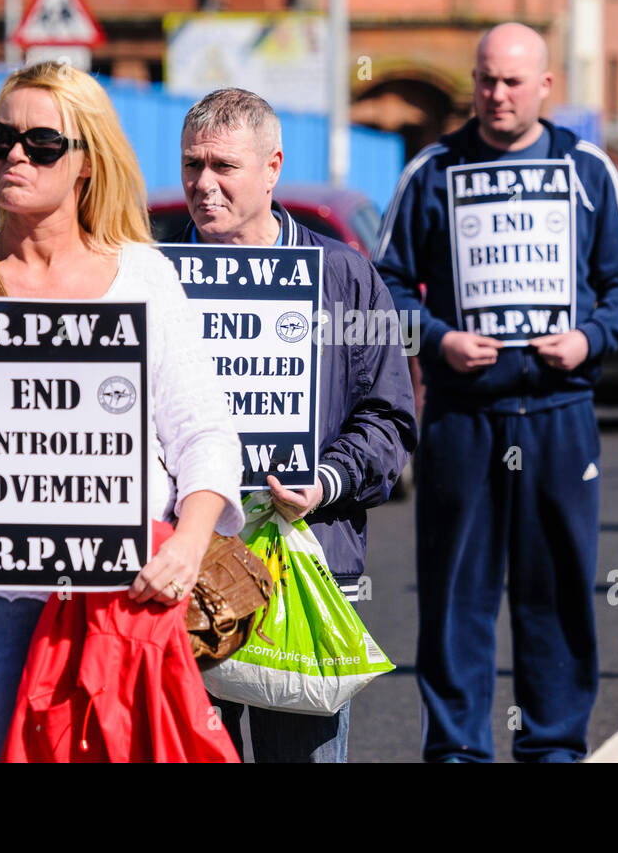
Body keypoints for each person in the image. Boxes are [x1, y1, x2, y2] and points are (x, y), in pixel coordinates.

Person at [0, 61, 245, 762]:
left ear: (85, 165)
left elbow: (205, 433)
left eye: (41, 143)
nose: (15, 153)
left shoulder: (144, 277)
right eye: (0, 137)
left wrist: (189, 546)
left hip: (119, 600)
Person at [376, 23, 618, 760]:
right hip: (463, 420)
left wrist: (590, 338)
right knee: (456, 597)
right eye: (486, 79)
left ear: (545, 86)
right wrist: (439, 339)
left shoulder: (589, 169)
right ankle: (458, 750)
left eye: (512, 81)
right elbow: (385, 291)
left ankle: (554, 745)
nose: (496, 95)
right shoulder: (431, 170)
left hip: (560, 416)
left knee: (556, 593)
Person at [172, 87, 417, 763]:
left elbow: (389, 417)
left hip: (303, 573)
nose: (203, 184)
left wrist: (326, 481)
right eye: (193, 165)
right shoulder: (150, 278)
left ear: (272, 166)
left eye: (224, 166)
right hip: (179, 574)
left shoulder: (344, 277)